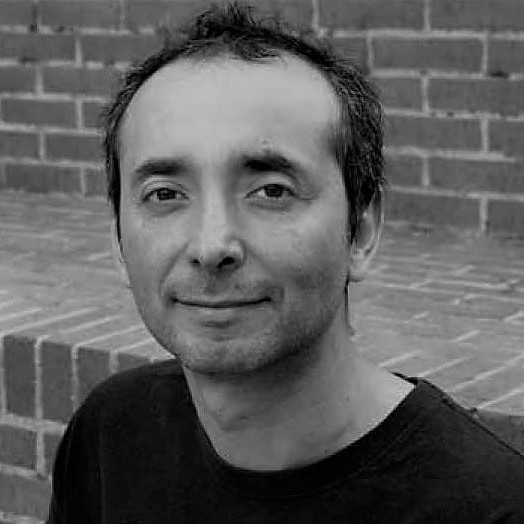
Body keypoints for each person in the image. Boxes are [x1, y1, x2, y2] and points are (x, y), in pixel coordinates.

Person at [46, 2, 524, 522]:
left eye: (272, 191)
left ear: (361, 230)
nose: (212, 245)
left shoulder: (491, 507)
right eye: (165, 194)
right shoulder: (110, 433)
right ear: (118, 242)